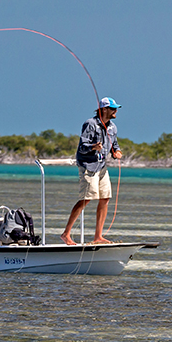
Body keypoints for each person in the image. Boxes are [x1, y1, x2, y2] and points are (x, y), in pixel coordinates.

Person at [61, 97, 122, 245]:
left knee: (105, 198)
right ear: (104, 109)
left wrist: (117, 152)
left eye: (116, 108)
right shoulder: (90, 124)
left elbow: (114, 144)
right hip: (88, 166)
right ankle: (66, 234)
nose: (115, 111)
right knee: (86, 199)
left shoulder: (113, 127)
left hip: (102, 166)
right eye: (113, 108)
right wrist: (93, 147)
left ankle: (98, 237)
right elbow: (82, 147)